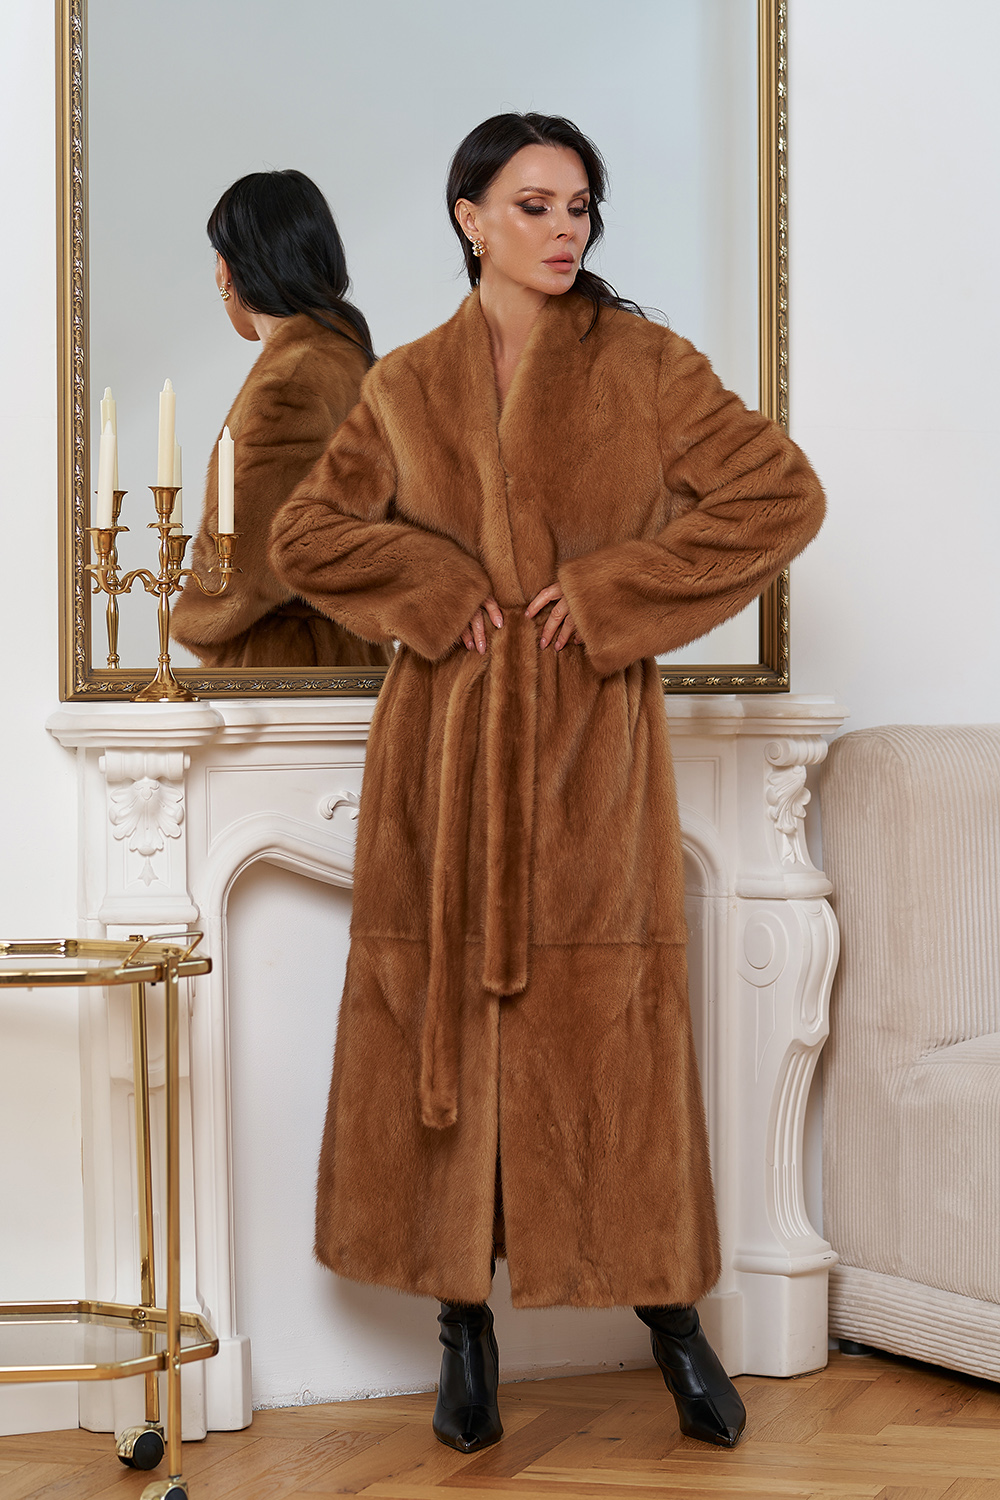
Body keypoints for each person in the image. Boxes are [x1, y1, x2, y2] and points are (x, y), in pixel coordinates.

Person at [269, 114, 825, 1452]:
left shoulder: (645, 365)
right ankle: (463, 1329)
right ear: (470, 216)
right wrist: (429, 582)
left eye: (579, 205)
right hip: (441, 757)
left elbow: (778, 496)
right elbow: (306, 535)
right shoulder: (405, 383)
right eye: (534, 204)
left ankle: (673, 1326)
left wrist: (616, 589)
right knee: (446, 1037)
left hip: (590, 757)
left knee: (610, 1052)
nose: (564, 228)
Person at [170, 169, 394, 670]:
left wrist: (194, 617)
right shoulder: (350, 362)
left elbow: (251, 557)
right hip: (347, 662)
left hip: (283, 673)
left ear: (228, 272)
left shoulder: (296, 377)